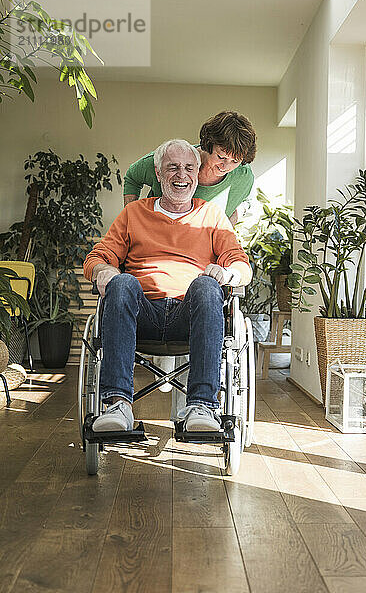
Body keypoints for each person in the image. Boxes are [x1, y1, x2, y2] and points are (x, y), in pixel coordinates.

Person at [83, 139, 252, 433]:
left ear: (198, 174)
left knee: (208, 286)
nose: (181, 175)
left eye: (189, 168)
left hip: (190, 315)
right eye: (172, 167)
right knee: (121, 282)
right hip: (141, 315)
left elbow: (241, 264)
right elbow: (99, 256)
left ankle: (202, 406)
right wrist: (102, 270)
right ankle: (117, 405)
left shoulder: (212, 215)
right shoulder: (134, 213)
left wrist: (228, 274)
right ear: (158, 174)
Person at [122, 111, 256, 226]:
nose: (226, 167)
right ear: (208, 144)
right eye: (221, 157)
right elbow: (132, 177)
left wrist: (227, 229)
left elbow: (246, 201)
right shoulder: (171, 159)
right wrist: (132, 221)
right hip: (156, 237)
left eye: (235, 161)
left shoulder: (243, 175)